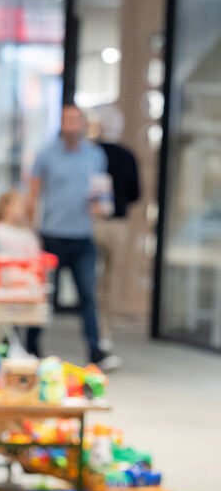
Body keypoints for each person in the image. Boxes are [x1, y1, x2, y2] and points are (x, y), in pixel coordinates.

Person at [25, 104, 119, 369]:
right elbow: (33, 193)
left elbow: (100, 191)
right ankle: (31, 347)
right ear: (61, 123)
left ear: (83, 123)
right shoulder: (46, 154)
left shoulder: (95, 155)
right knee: (43, 296)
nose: (72, 125)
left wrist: (102, 207)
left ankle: (96, 352)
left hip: (83, 236)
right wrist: (33, 231)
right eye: (67, 120)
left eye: (76, 120)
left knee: (88, 296)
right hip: (52, 236)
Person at [90, 109, 140, 352]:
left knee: (91, 278)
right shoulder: (126, 156)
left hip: (92, 222)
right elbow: (135, 194)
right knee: (110, 279)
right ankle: (103, 329)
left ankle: (95, 328)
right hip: (116, 224)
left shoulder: (90, 153)